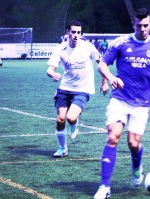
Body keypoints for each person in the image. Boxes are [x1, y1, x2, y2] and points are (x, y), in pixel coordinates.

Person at [93, 8, 150, 199]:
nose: (142, 29)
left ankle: (136, 166)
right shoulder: (121, 42)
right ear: (134, 24)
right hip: (120, 98)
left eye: (145, 25)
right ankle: (104, 187)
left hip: (142, 102)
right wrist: (110, 78)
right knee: (113, 136)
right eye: (138, 25)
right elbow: (102, 64)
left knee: (133, 143)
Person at [46, 20, 108, 157]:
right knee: (60, 119)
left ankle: (74, 122)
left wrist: (104, 83)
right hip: (65, 88)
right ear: (68, 32)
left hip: (82, 89)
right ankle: (62, 148)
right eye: (73, 32)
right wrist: (52, 74)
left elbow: (102, 64)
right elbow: (50, 69)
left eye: (78, 32)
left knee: (71, 117)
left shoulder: (88, 47)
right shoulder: (60, 48)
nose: (75, 35)